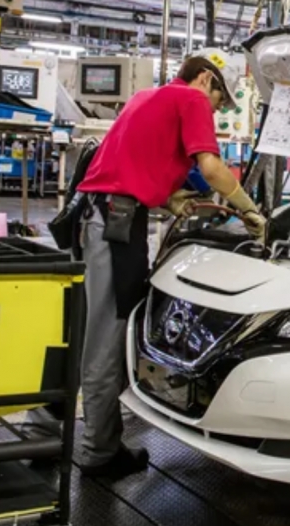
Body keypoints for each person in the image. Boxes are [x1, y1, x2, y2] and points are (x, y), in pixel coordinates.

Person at [71, 48, 266, 478]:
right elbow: (211, 167)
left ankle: (66, 431)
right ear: (206, 80)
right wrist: (249, 208)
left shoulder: (148, 96)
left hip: (99, 217)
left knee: (91, 327)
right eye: (221, 100)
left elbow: (130, 160)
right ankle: (98, 452)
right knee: (108, 334)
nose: (216, 110)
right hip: (117, 224)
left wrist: (168, 196)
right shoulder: (192, 99)